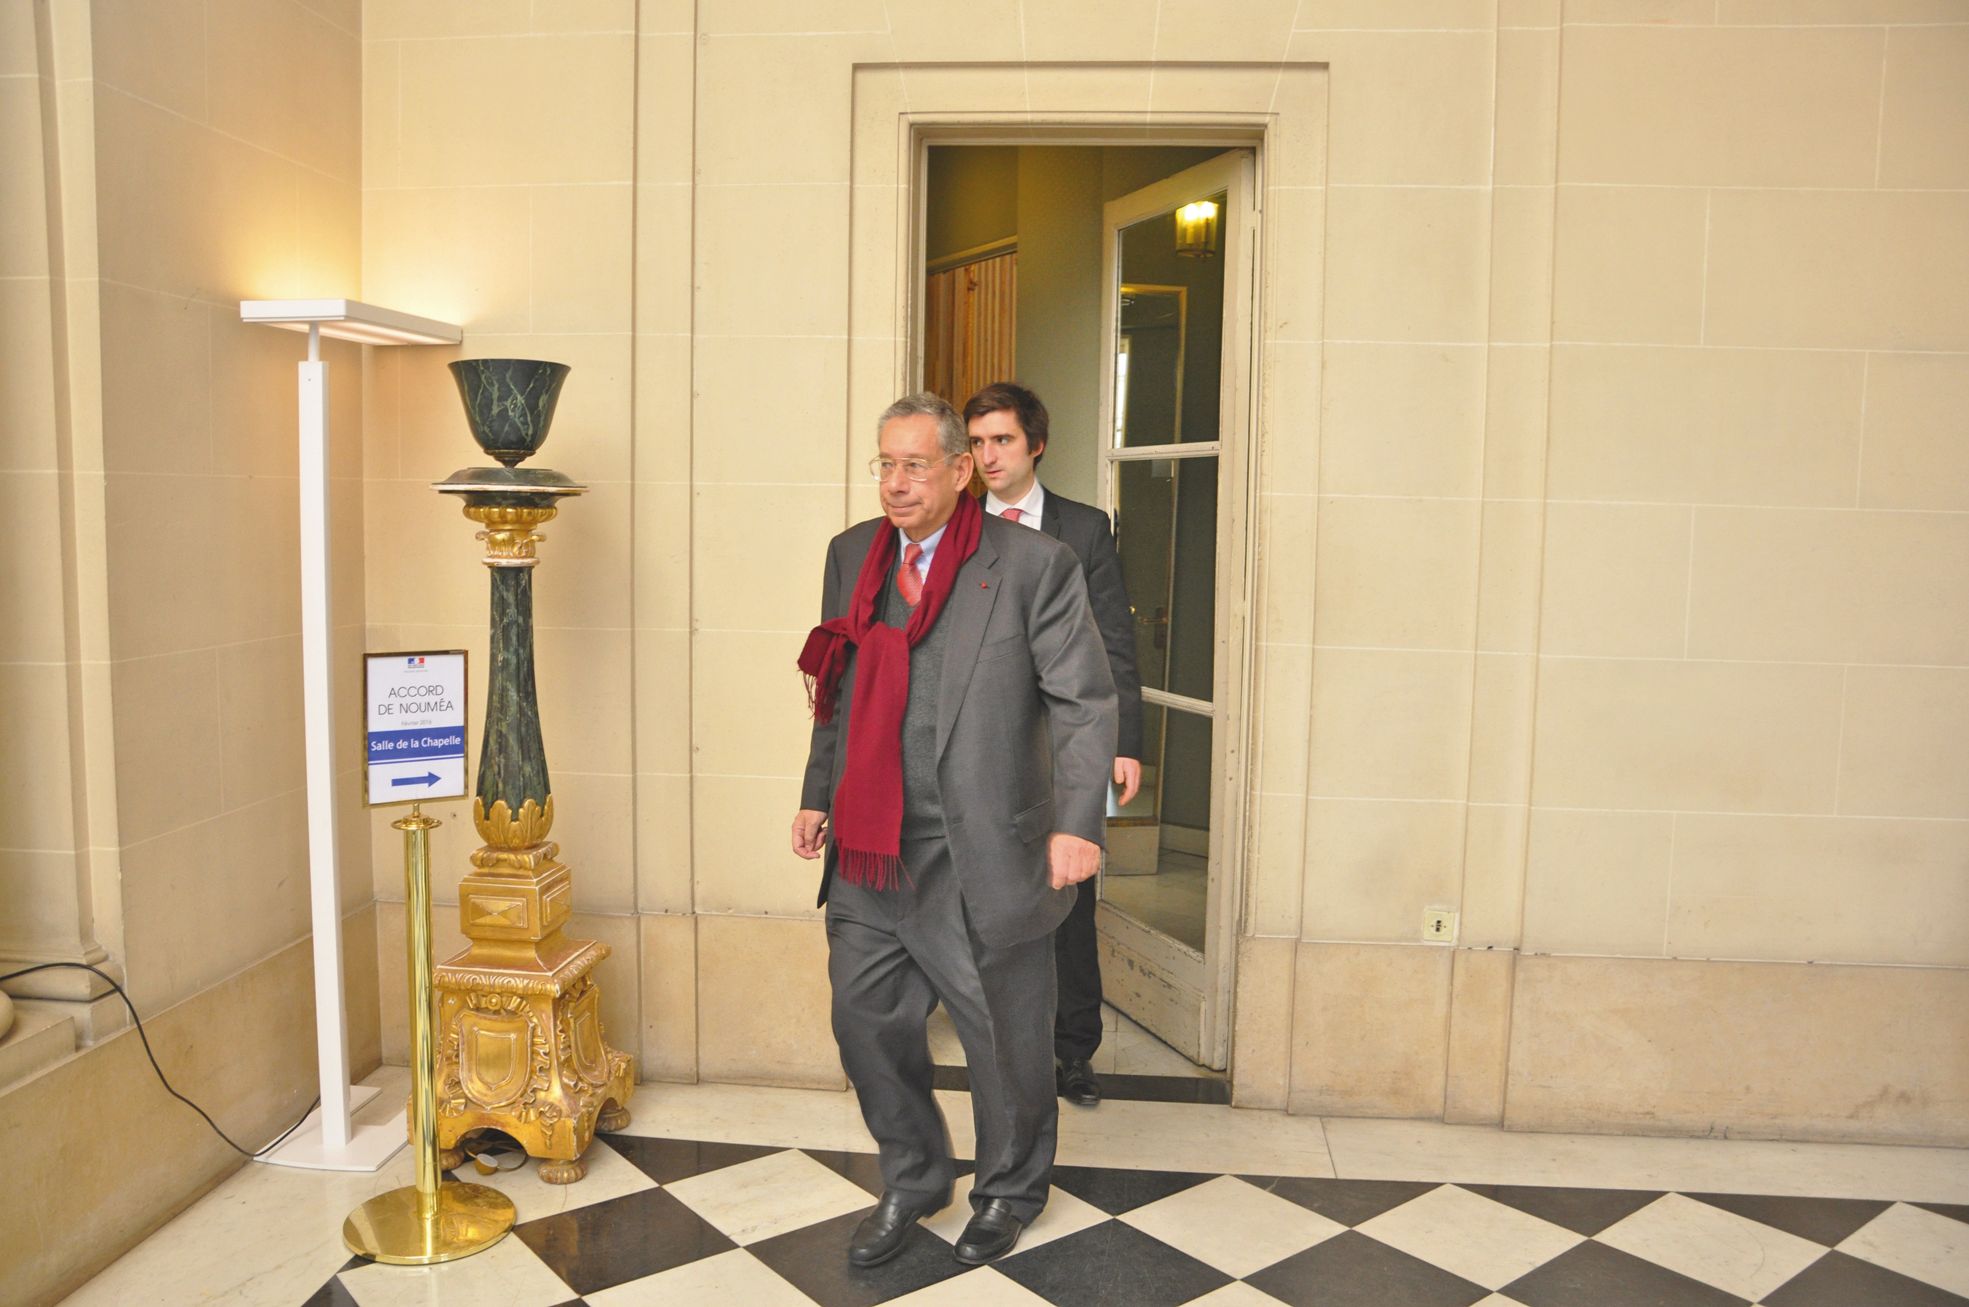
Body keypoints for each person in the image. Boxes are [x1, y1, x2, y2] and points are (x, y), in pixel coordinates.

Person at [792, 392, 1118, 1268]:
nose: (895, 485)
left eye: (914, 465)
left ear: (959, 470)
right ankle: (913, 1172)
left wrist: (1077, 822)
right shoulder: (853, 555)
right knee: (863, 1018)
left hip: (981, 845)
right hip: (870, 845)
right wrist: (817, 790)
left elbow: (1084, 701)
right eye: (884, 464)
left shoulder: (1033, 564)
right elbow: (837, 687)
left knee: (1003, 1037)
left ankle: (1008, 1188)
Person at [963, 382, 1144, 1110]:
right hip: (980, 749)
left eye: (1000, 440)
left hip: (1066, 746)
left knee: (1070, 900)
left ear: (1034, 444)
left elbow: (1112, 640)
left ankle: (1073, 1052)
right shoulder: (955, 527)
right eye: (975, 443)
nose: (986, 457)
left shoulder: (1085, 527)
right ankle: (997, 1043)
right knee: (980, 895)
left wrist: (1123, 742)